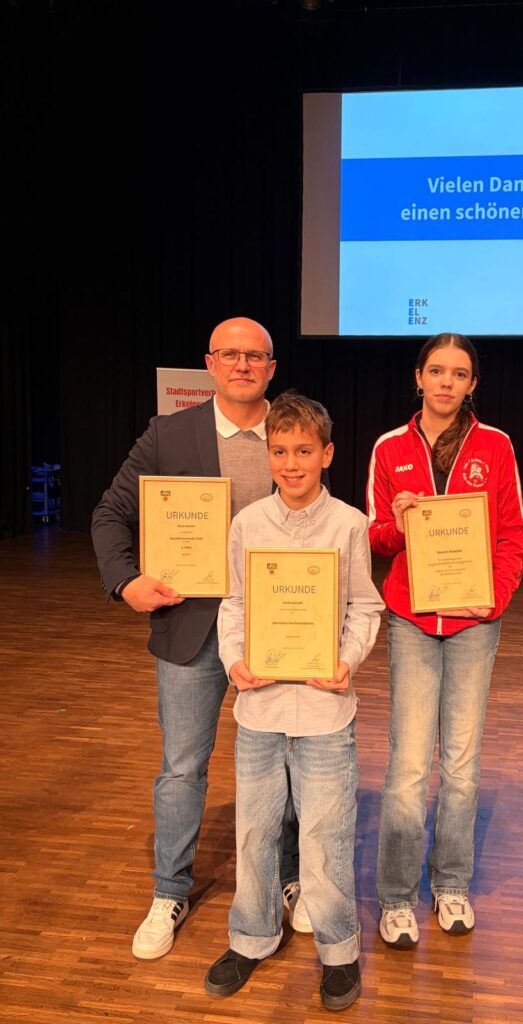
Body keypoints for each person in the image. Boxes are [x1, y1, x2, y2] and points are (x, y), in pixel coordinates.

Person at [91, 317, 308, 960]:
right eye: (230, 354)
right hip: (191, 628)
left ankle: (290, 876)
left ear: (271, 367)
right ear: (210, 364)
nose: (243, 365)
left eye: (255, 356)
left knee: (287, 761)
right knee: (183, 766)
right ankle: (170, 890)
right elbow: (110, 513)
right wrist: (124, 581)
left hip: (276, 627)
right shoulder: (169, 434)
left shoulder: (292, 431)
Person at [204, 391, 383, 1011]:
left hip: (325, 712)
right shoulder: (247, 523)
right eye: (279, 451)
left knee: (327, 835)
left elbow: (365, 606)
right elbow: (233, 604)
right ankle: (251, 937)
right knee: (254, 830)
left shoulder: (350, 524)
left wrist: (346, 661)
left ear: (327, 454)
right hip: (259, 709)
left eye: (303, 451)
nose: (290, 463)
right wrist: (234, 661)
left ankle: (338, 950)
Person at [367, 332, 523, 947]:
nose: (446, 382)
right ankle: (396, 896)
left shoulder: (496, 445)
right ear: (418, 376)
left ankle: (452, 882)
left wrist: (496, 599)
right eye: (436, 370)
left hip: (473, 623)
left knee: (461, 764)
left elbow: (512, 534)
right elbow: (376, 538)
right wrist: (398, 522)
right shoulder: (390, 447)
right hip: (412, 620)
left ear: (472, 384)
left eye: (459, 373)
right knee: (409, 765)